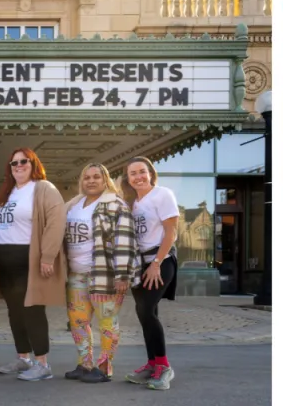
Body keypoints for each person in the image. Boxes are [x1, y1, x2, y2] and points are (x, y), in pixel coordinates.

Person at [0, 148, 67, 381]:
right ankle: (23, 358)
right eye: (14, 163)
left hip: (28, 259)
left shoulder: (43, 188)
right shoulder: (8, 191)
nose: (18, 166)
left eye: (24, 161)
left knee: (32, 311)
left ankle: (42, 363)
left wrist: (47, 257)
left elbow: (56, 221)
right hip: (5, 262)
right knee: (14, 312)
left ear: (34, 164)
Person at [63, 163, 137, 383]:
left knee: (107, 322)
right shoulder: (74, 205)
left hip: (104, 275)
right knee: (77, 322)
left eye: (97, 177)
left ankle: (104, 368)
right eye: (87, 177)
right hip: (76, 275)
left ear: (106, 180)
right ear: (81, 181)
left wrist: (123, 275)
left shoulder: (116, 205)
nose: (91, 181)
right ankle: (84, 364)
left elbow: (125, 241)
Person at [121, 156, 178, 391]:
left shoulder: (162, 194)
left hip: (160, 259)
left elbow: (171, 231)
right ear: (127, 178)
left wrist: (156, 263)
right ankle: (151, 363)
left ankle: (164, 367)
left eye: (142, 171)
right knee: (144, 312)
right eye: (132, 173)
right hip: (139, 263)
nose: (138, 177)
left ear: (151, 173)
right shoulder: (131, 202)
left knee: (146, 309)